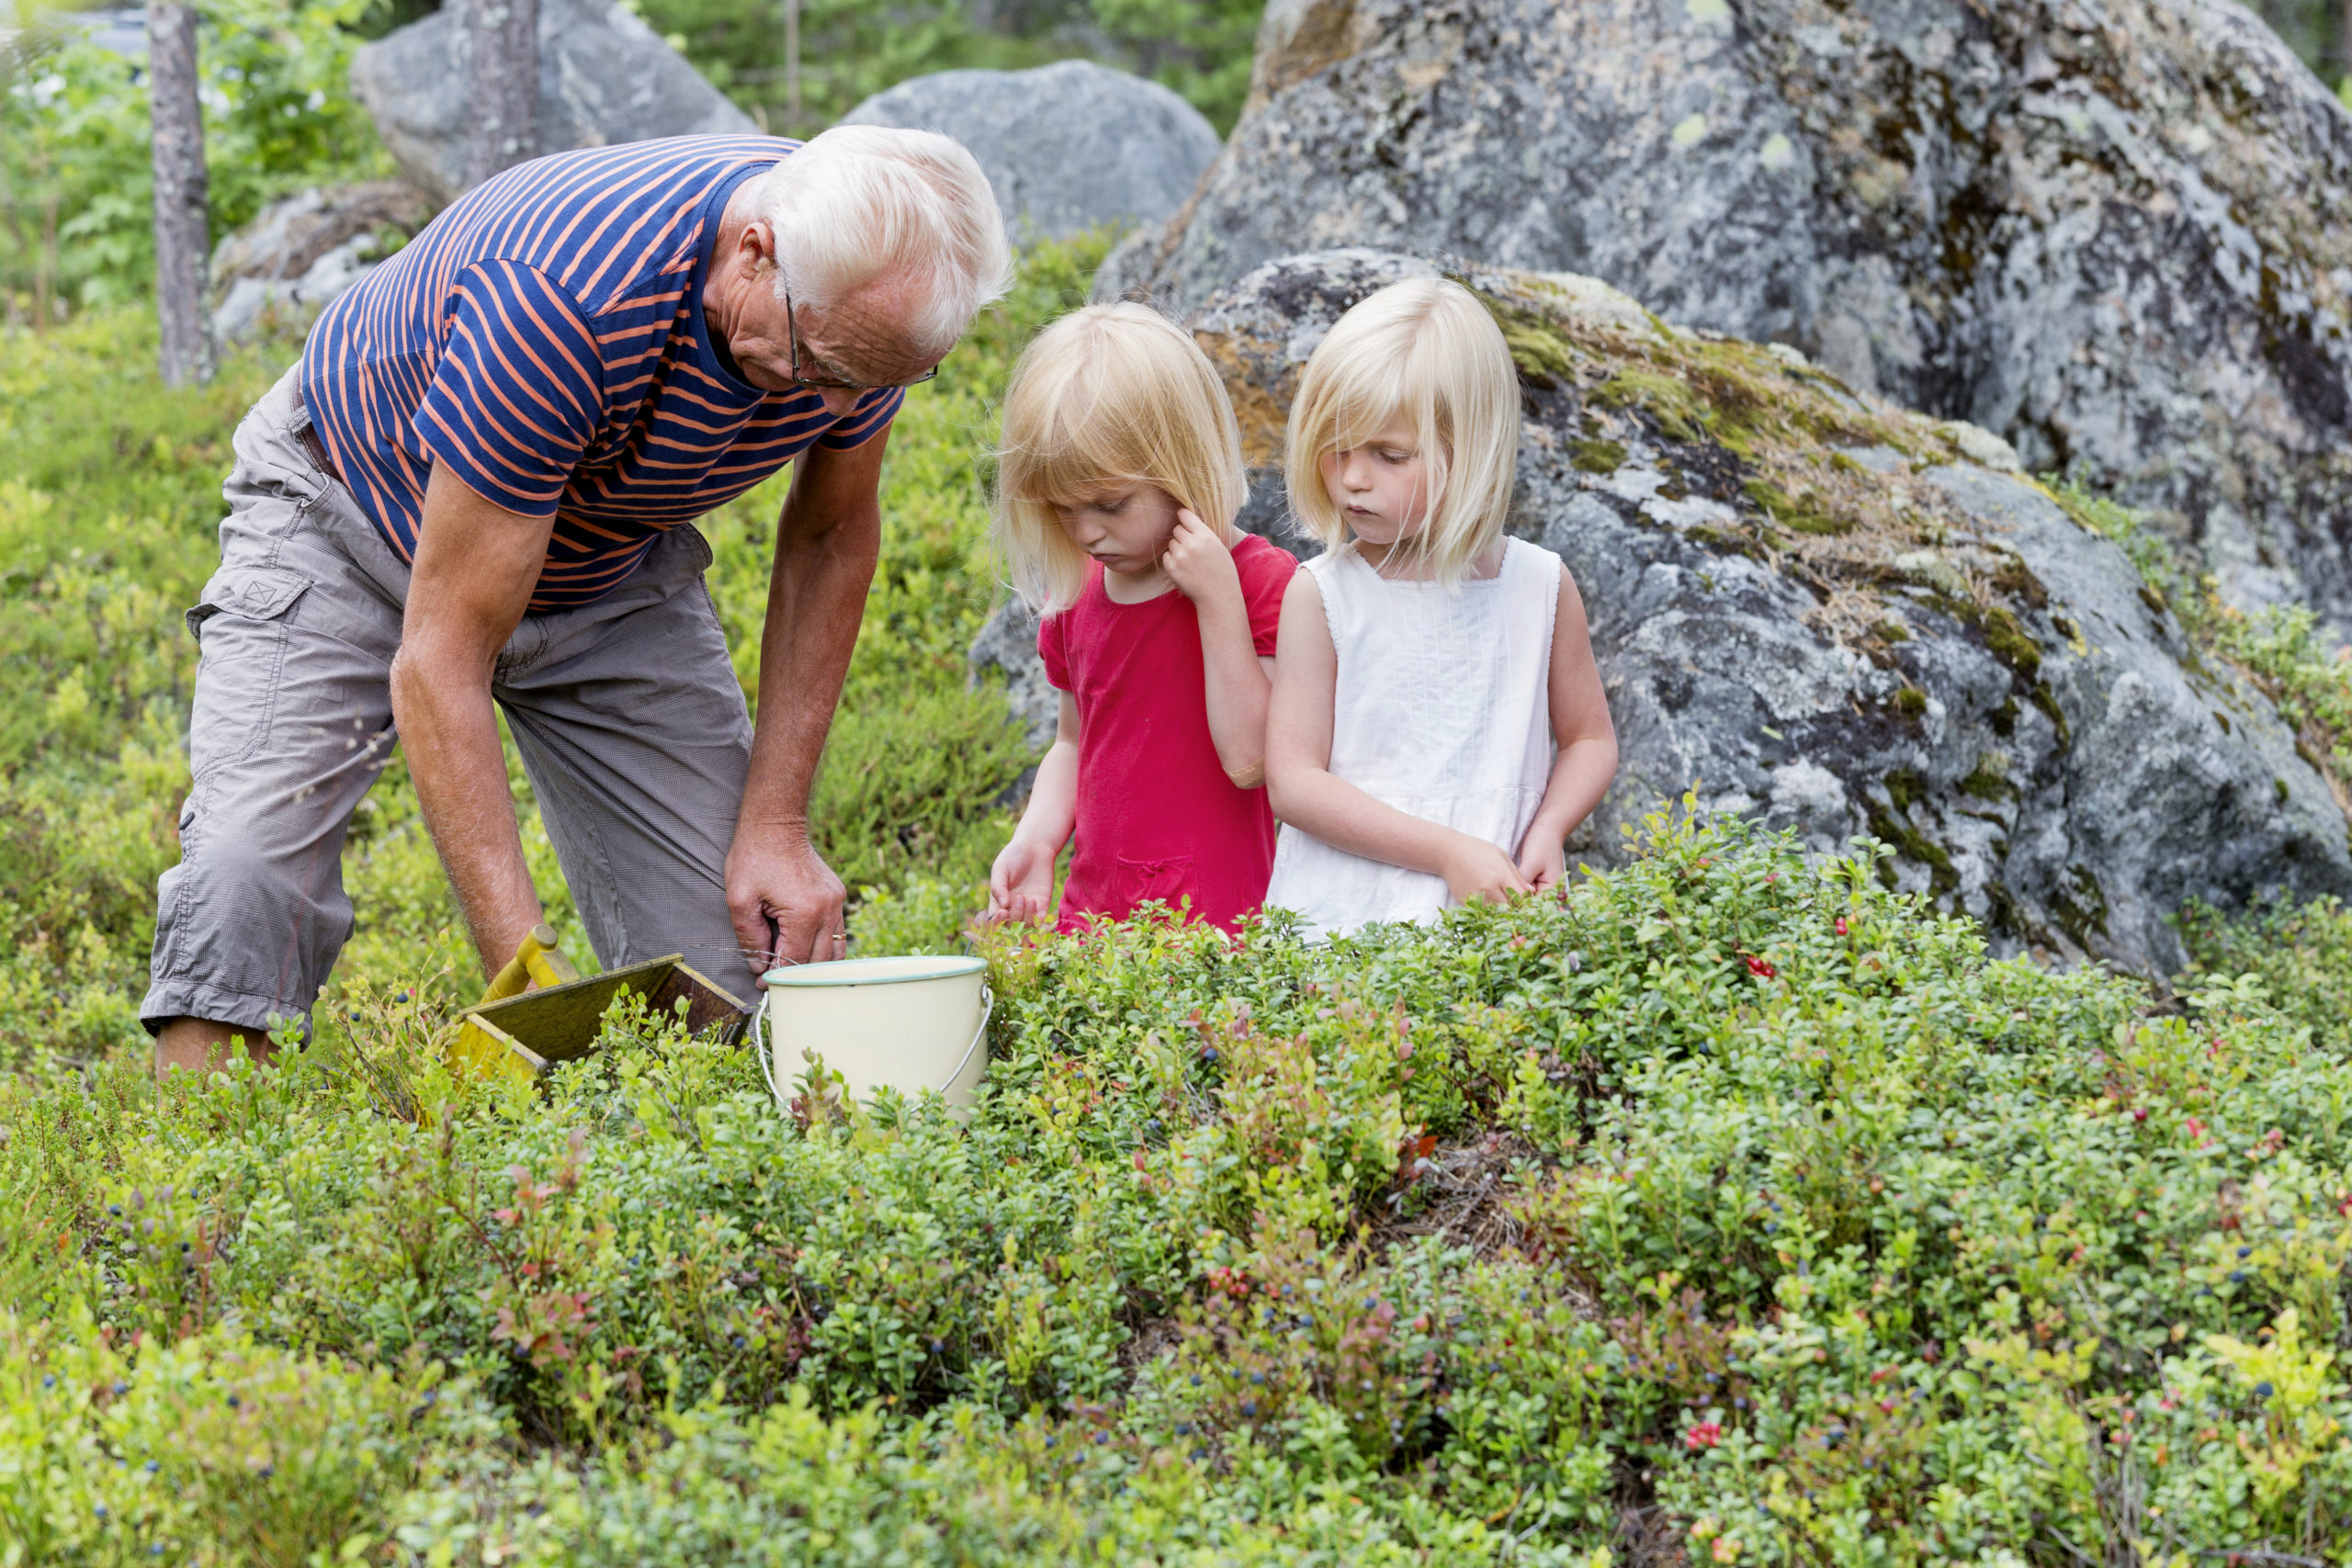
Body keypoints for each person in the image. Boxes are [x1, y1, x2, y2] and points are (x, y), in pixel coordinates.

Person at [144, 126, 1013, 1074]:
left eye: (878, 381)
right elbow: (442, 661)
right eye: (825, 369)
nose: (836, 409)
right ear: (755, 251)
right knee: (243, 878)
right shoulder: (561, 300)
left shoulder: (867, 283)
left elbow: (831, 533)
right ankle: (206, 1198)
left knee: (731, 980)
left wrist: (778, 826)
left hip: (604, 555)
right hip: (352, 516)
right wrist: (527, 982)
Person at [1263, 277, 1618, 937]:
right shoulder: (1323, 594)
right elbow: (1294, 782)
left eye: (1388, 454)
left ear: (1472, 453)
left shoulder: (1539, 586)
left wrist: (1549, 829)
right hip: (1345, 926)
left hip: (1501, 918)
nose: (1352, 477)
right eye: (1335, 448)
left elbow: (1591, 738)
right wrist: (1447, 851)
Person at [984, 304, 1296, 933]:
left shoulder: (1261, 581)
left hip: (1221, 924)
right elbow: (1073, 742)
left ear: (1184, 463)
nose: (1087, 531)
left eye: (1110, 504)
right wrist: (1038, 839)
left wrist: (1217, 600)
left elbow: (1251, 759)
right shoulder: (1077, 591)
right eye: (1063, 508)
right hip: (1096, 919)